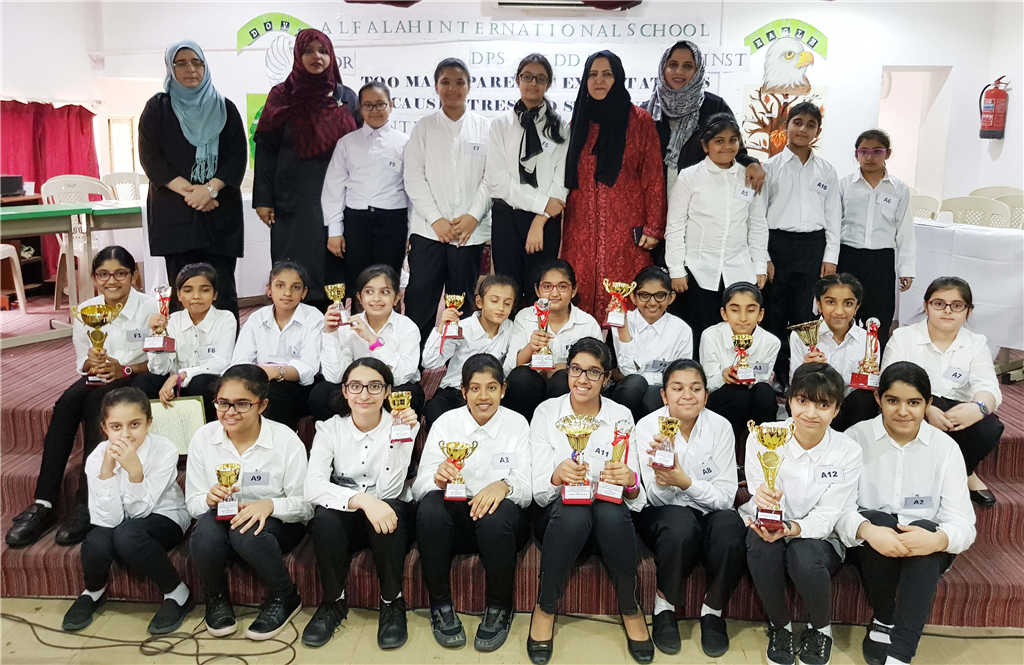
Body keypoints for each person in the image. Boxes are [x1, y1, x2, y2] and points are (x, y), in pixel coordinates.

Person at [6, 247, 159, 549]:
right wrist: (94, 361)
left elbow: (162, 360)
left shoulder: (151, 307)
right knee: (66, 403)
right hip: (100, 376)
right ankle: (44, 503)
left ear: (134, 276)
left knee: (98, 403)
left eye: (120, 273)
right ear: (94, 277)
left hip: (139, 375)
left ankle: (85, 501)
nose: (111, 281)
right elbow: (82, 363)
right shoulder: (87, 310)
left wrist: (123, 369)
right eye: (104, 274)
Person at [840, 362, 975, 665]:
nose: (903, 412)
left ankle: (900, 653)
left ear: (928, 404)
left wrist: (939, 539)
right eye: (893, 400)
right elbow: (839, 509)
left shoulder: (945, 449)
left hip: (926, 549)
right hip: (870, 546)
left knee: (926, 528)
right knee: (877, 519)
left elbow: (963, 523)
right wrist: (867, 530)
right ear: (878, 398)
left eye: (914, 403)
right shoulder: (854, 439)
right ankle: (884, 617)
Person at [527, 338, 651, 665]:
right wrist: (557, 476)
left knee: (610, 511)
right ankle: (545, 606)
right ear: (567, 371)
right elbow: (538, 493)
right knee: (575, 512)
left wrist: (630, 481)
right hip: (560, 521)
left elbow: (636, 498)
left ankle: (630, 607)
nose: (582, 379)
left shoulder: (621, 415)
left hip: (610, 524)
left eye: (593, 372)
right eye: (576, 369)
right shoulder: (547, 412)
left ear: (606, 378)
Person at [742, 363, 863, 665]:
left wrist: (793, 528)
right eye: (803, 400)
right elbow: (759, 491)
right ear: (790, 400)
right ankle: (780, 626)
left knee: (803, 554)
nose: (811, 413)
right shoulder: (763, 436)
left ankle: (821, 628)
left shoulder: (848, 451)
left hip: (821, 537)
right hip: (772, 525)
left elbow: (830, 513)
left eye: (823, 405)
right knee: (760, 544)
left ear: (836, 410)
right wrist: (766, 504)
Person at [413, 354, 532, 653]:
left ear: (503, 390)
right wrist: (437, 479)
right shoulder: (446, 424)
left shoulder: (517, 424)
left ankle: (499, 607)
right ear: (463, 391)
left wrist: (504, 485)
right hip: (456, 524)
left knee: (496, 515)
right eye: (475, 388)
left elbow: (528, 488)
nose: (483, 396)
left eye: (491, 388)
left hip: (500, 525)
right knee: (430, 508)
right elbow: (419, 486)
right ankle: (440, 605)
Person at [186, 364, 311, 641]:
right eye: (223, 403)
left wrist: (269, 505)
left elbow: (305, 506)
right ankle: (216, 597)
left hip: (278, 523)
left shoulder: (285, 440)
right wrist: (208, 499)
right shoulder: (203, 438)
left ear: (262, 405)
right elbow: (193, 504)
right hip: (223, 517)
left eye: (242, 404)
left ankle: (285, 596)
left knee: (245, 530)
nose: (230, 412)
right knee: (205, 531)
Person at [302, 358, 419, 650]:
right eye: (355, 386)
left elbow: (391, 490)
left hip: (389, 515)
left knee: (390, 509)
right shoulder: (329, 429)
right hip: (350, 513)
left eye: (374, 386)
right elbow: (312, 486)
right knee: (325, 519)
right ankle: (333, 601)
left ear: (388, 391)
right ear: (344, 391)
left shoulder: (403, 425)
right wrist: (362, 501)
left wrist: (400, 438)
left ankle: (392, 601)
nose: (364, 394)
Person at [633, 360, 746, 658]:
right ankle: (664, 606)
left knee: (731, 526)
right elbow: (654, 498)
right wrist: (664, 477)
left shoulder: (720, 427)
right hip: (664, 514)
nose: (687, 396)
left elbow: (726, 498)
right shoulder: (647, 427)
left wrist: (684, 482)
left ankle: (713, 610)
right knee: (679, 523)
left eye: (696, 389)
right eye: (678, 388)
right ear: (664, 395)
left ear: (706, 395)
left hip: (708, 513)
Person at [61, 388, 193, 635]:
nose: (125, 434)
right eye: (116, 426)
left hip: (165, 516)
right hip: (120, 521)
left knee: (128, 535)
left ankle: (177, 592)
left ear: (149, 422)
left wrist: (134, 472)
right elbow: (106, 519)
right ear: (104, 428)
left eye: (134, 424)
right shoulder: (98, 457)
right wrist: (106, 472)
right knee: (96, 540)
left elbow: (142, 511)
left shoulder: (164, 450)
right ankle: (93, 590)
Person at [139, 40, 246, 322]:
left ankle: (228, 348)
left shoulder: (225, 108)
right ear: (170, 68)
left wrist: (209, 190)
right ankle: (182, 347)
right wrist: (194, 194)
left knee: (221, 289)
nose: (191, 69)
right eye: (182, 63)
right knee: (183, 291)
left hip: (219, 213)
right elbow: (151, 158)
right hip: (176, 214)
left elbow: (237, 157)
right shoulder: (157, 108)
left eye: (197, 63)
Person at [254, 28, 360, 307]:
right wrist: (263, 199)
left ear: (332, 56)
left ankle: (334, 318)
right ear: (297, 56)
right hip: (294, 197)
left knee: (334, 264)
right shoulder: (281, 96)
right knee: (297, 263)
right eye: (309, 51)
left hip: (339, 194)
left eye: (323, 51)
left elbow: (361, 147)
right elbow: (265, 148)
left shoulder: (347, 97)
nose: (317, 57)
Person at [881, 276, 1004, 506]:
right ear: (926, 305)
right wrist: (926, 409)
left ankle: (965, 471)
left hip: (956, 412)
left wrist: (978, 408)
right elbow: (890, 380)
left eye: (957, 305)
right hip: (914, 406)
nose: (947, 311)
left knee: (990, 426)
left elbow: (988, 385)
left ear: (968, 311)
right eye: (939, 303)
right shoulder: (904, 338)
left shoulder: (976, 343)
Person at [562, 50, 666, 316]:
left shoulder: (639, 121)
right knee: (581, 296)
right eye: (593, 75)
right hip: (581, 231)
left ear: (618, 78)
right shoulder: (578, 122)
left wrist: (654, 227)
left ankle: (623, 344)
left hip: (626, 231)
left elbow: (653, 176)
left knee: (624, 301)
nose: (599, 80)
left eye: (607, 74)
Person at [665, 113, 768, 352]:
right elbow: (675, 226)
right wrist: (676, 269)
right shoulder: (689, 177)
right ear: (705, 145)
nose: (726, 146)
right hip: (698, 269)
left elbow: (757, 225)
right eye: (719, 141)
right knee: (701, 330)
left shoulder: (747, 176)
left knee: (737, 330)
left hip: (739, 267)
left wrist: (759, 265)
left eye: (733, 140)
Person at [404, 58, 491, 342]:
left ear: (469, 87)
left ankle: (460, 363)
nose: (452, 88)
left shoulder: (484, 127)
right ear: (436, 87)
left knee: (462, 303)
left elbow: (490, 179)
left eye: (459, 82)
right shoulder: (425, 127)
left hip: (469, 234)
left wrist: (473, 216)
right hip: (430, 231)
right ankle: (414, 360)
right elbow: (413, 177)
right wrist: (436, 219)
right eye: (445, 82)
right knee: (420, 298)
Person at [761, 102, 841, 388]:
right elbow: (758, 216)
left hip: (812, 246)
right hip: (777, 244)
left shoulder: (826, 170)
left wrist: (830, 256)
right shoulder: (770, 168)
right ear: (786, 126)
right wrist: (763, 256)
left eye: (810, 125)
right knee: (774, 311)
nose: (803, 129)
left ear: (817, 131)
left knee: (804, 313)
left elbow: (833, 216)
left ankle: (801, 373)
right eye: (797, 122)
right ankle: (776, 372)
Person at [486, 54, 569, 306]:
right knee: (506, 292)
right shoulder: (500, 125)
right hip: (507, 218)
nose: (533, 83)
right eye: (527, 77)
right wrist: (541, 205)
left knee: (540, 292)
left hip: (546, 222)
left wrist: (539, 220)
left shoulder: (561, 127)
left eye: (540, 78)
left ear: (548, 83)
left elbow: (561, 182)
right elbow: (498, 181)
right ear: (517, 80)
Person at [321, 81, 409, 297]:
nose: (374, 110)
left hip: (393, 222)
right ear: (359, 108)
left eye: (380, 104)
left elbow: (412, 190)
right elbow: (333, 188)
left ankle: (391, 319)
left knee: (388, 281)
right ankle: (357, 318)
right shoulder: (347, 143)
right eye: (368, 105)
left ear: (391, 105)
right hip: (356, 222)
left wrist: (411, 232)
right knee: (357, 283)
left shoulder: (405, 143)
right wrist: (335, 231)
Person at [644, 40, 765, 197]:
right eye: (672, 65)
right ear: (663, 68)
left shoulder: (714, 107)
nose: (679, 71)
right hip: (653, 200)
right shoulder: (647, 111)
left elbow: (733, 150)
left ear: (698, 70)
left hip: (701, 202)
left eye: (687, 66)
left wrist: (751, 163)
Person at [310, 264, 423, 422]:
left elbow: (401, 377)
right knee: (320, 394)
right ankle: (347, 432)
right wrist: (331, 333)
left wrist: (373, 340)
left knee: (409, 397)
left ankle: (385, 434)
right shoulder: (348, 326)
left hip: (390, 388)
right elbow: (335, 377)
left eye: (384, 292)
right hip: (356, 389)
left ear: (397, 297)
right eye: (369, 292)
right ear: (359, 297)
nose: (376, 299)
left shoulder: (408, 327)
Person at [838, 129, 916, 351]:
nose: (869, 157)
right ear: (856, 155)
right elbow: (833, 225)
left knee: (878, 317)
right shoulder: (845, 185)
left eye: (877, 151)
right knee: (843, 315)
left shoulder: (899, 189)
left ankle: (874, 365)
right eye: (863, 152)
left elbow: (905, 230)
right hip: (848, 256)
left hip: (881, 261)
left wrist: (906, 269)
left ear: (887, 154)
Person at [135, 263, 236, 422]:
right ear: (179, 295)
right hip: (175, 385)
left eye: (204, 290)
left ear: (215, 294)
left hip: (208, 385)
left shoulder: (225, 319)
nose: (196, 296)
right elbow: (160, 369)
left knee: (200, 382)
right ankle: (159, 428)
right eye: (188, 291)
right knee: (144, 381)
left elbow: (222, 362)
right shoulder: (172, 320)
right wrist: (158, 337)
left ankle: (207, 429)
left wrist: (181, 376)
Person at [503, 260, 602, 421]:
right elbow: (509, 367)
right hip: (530, 387)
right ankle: (523, 429)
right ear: (537, 290)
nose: (554, 294)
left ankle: (562, 431)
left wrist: (570, 368)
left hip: (565, 387)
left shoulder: (587, 323)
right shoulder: (525, 317)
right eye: (547, 287)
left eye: (562, 286)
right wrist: (531, 347)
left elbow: (597, 369)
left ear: (574, 290)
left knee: (564, 378)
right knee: (521, 377)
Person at [229, 261, 323, 430]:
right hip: (259, 380)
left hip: (299, 386)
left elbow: (309, 368)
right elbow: (240, 361)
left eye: (296, 287)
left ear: (304, 293)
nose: (287, 293)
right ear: (269, 289)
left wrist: (275, 372)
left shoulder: (314, 318)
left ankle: (281, 440)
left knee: (272, 392)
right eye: (280, 286)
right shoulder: (257, 318)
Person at [421, 275, 518, 431]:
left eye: (507, 303)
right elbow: (430, 362)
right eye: (494, 301)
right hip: (456, 390)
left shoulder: (511, 329)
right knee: (436, 410)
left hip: (491, 394)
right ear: (480, 301)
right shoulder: (461, 328)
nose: (501, 308)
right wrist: (441, 329)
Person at [790, 274, 879, 431]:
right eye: (831, 302)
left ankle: (856, 442)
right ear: (819, 304)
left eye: (848, 303)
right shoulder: (801, 336)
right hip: (814, 406)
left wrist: (873, 379)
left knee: (865, 398)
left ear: (857, 307)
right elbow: (794, 386)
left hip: (850, 409)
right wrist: (806, 370)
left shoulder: (869, 340)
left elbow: (870, 387)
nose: (839, 311)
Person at [700, 282, 781, 446]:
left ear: (760, 314)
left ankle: (764, 448)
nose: (743, 318)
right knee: (737, 394)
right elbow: (707, 384)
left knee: (764, 392)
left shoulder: (771, 342)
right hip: (722, 399)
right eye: (735, 310)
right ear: (724, 313)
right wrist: (724, 376)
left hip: (753, 398)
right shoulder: (710, 336)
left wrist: (746, 377)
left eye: (750, 310)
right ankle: (724, 447)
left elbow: (762, 378)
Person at [610, 265, 693, 420]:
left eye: (660, 295)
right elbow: (628, 372)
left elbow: (680, 376)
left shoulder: (682, 330)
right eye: (644, 295)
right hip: (627, 391)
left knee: (654, 393)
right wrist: (623, 328)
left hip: (662, 393)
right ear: (633, 297)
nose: (653, 302)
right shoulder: (622, 320)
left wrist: (646, 376)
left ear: (671, 298)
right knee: (635, 384)